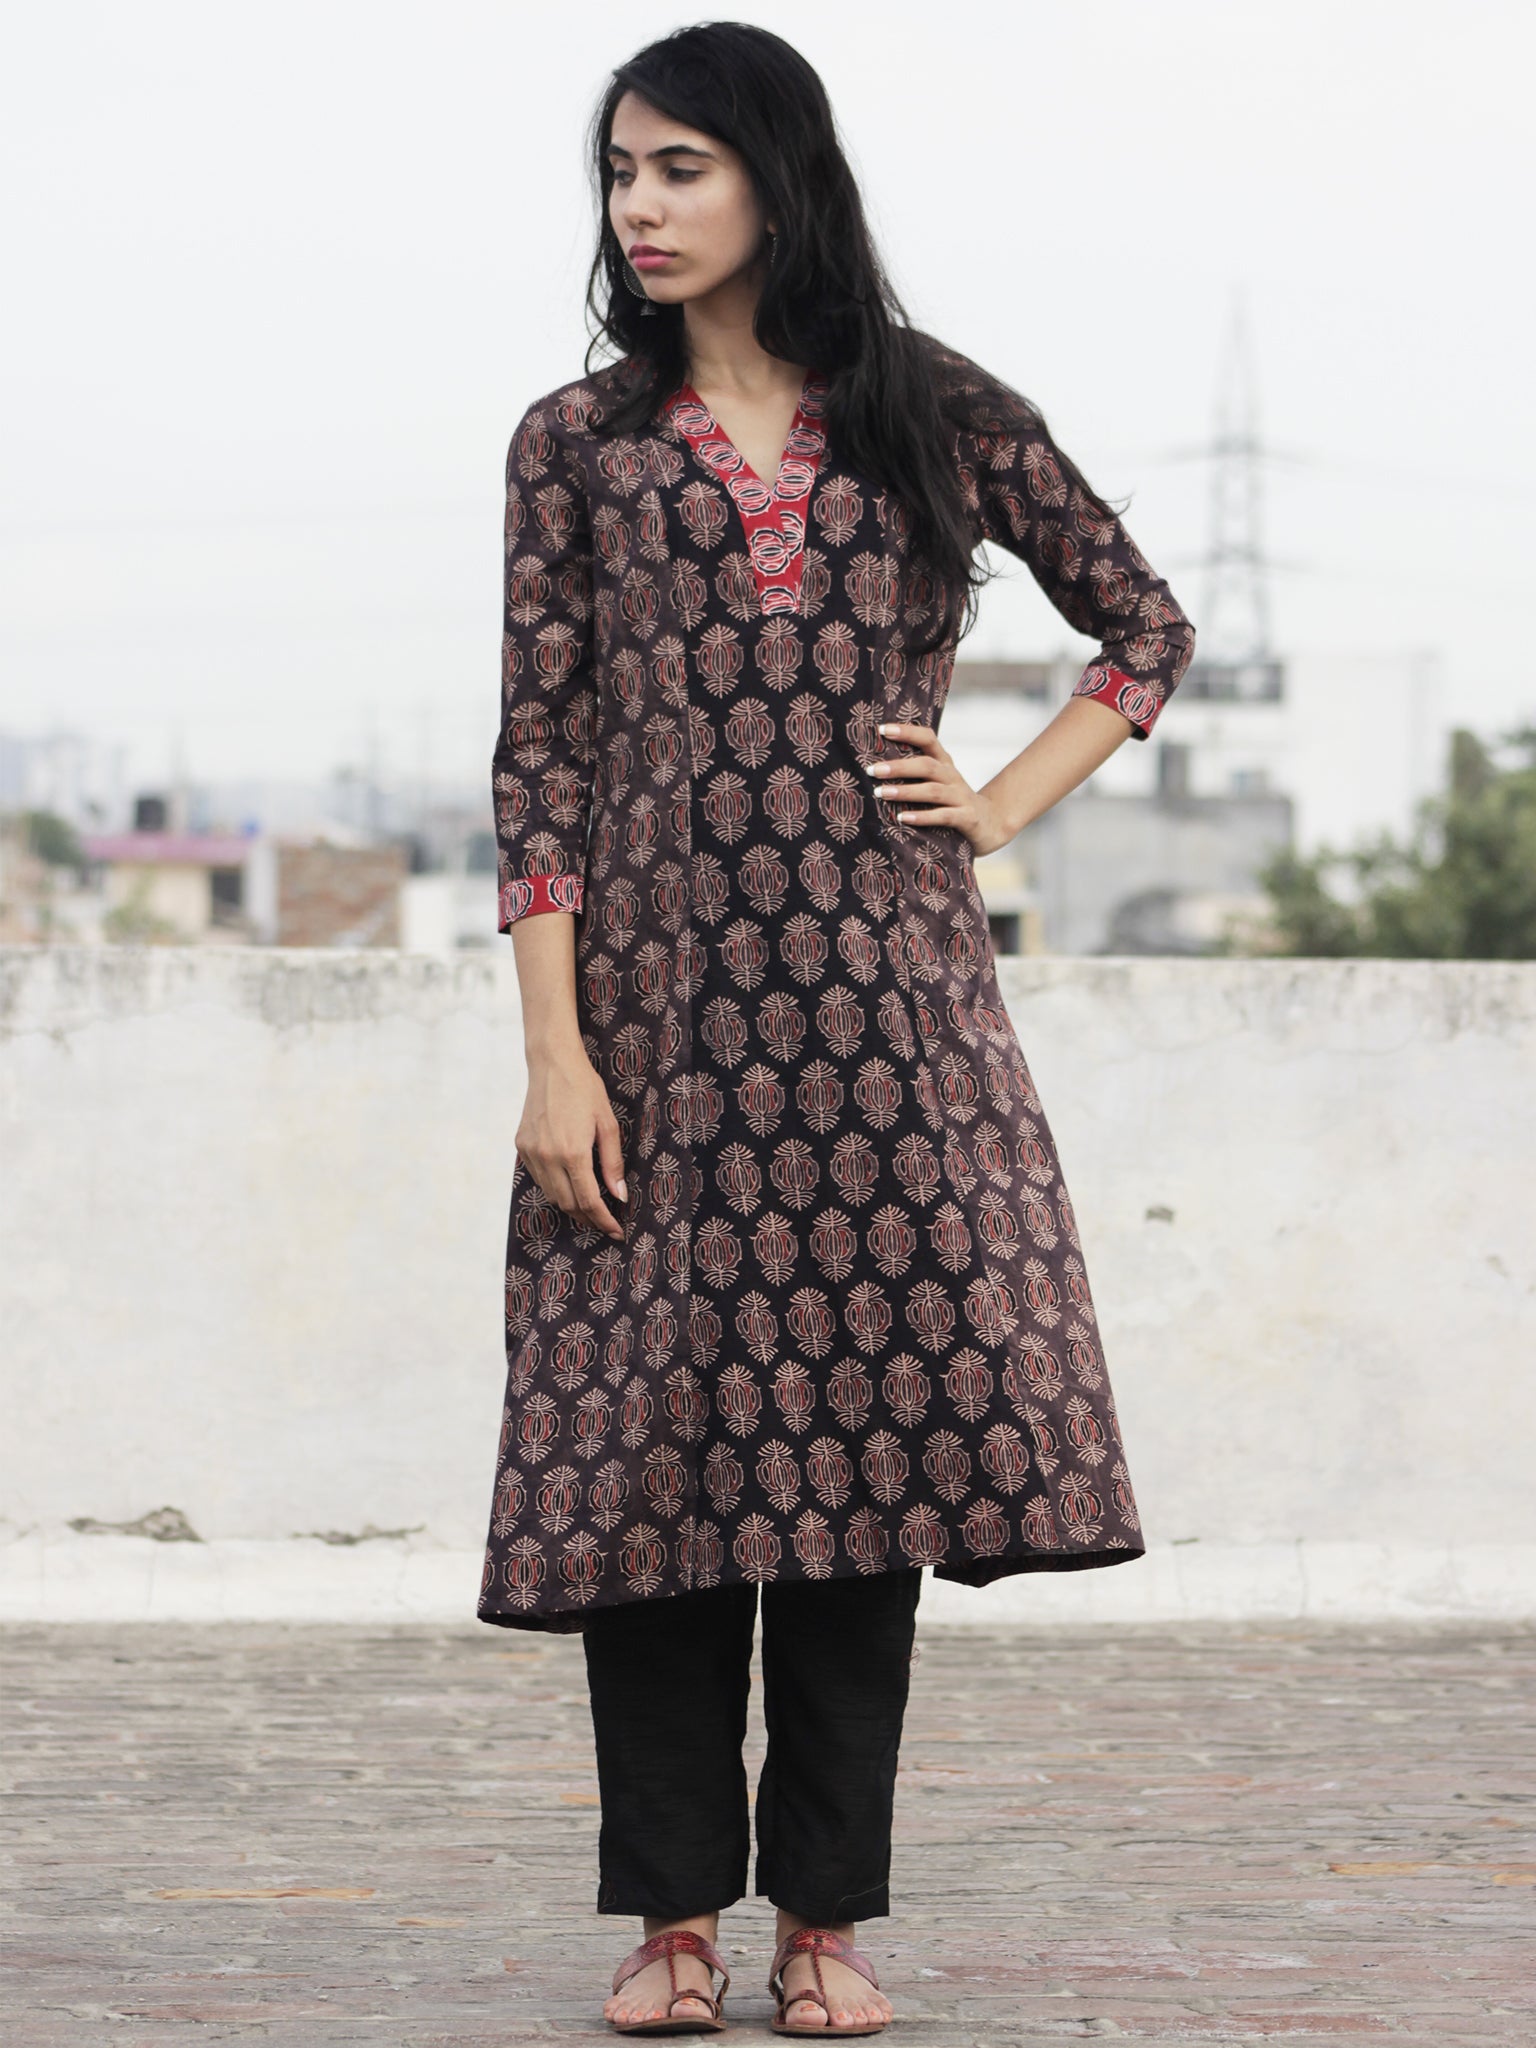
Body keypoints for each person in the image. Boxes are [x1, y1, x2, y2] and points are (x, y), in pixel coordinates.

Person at [478, 22, 1194, 2036]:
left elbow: (1143, 625)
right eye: (622, 170)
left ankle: (824, 1923)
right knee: (652, 1472)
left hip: (889, 1027)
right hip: (656, 1032)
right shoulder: (578, 444)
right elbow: (539, 765)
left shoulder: (928, 411)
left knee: (863, 1481)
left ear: (779, 179)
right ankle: (669, 1922)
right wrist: (555, 1056)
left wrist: (1002, 799)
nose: (639, 206)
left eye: (681, 166)